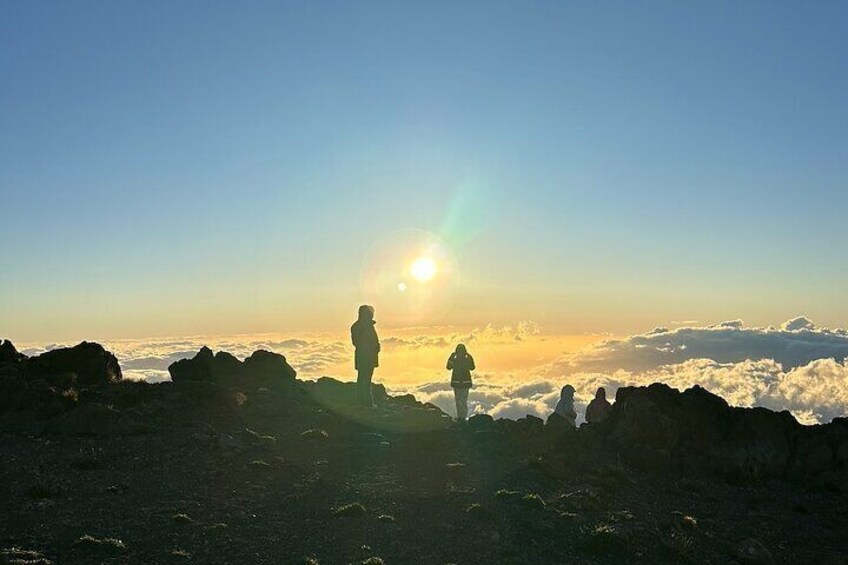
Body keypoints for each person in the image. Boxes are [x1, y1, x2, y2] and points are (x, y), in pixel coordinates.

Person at [351, 305, 380, 407]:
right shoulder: (361, 327)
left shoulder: (362, 326)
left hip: (366, 357)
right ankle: (365, 402)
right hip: (365, 357)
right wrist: (372, 348)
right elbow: (358, 342)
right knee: (365, 379)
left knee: (364, 379)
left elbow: (357, 342)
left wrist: (376, 347)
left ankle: (363, 401)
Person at [447, 344, 475, 420]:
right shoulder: (465, 360)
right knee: (462, 401)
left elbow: (448, 367)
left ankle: (461, 417)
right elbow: (472, 367)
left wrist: (452, 356)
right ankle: (462, 417)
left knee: (459, 401)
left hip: (459, 383)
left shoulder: (455, 360)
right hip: (464, 383)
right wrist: (469, 356)